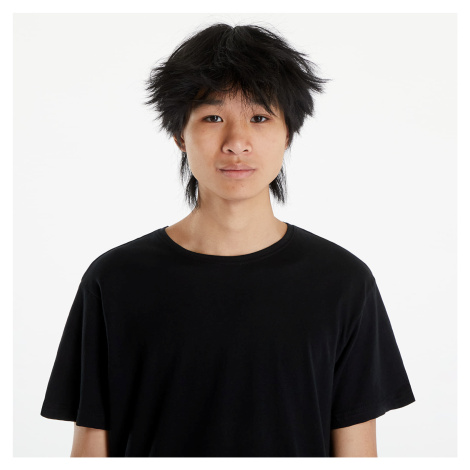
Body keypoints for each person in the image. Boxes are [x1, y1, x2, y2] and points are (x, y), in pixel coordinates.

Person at [40, 22, 416, 457]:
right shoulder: (115, 279)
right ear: (179, 135)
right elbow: (92, 443)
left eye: (259, 118)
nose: (237, 143)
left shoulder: (342, 281)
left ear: (288, 134)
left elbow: (356, 450)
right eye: (213, 118)